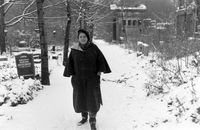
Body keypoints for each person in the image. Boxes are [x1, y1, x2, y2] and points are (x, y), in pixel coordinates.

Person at [63, 29, 111, 130]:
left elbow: (101, 60)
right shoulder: (74, 49)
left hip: (92, 79)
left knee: (92, 99)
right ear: (78, 38)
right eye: (80, 37)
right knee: (81, 98)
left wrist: (99, 71)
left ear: (87, 38)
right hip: (78, 79)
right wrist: (71, 74)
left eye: (84, 36)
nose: (83, 38)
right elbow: (70, 63)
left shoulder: (93, 48)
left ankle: (92, 120)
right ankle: (84, 117)